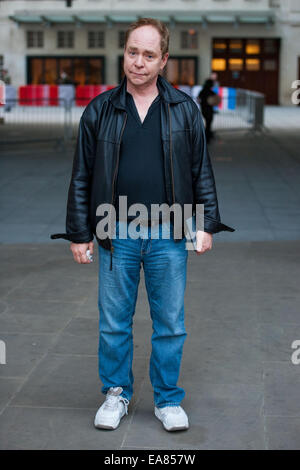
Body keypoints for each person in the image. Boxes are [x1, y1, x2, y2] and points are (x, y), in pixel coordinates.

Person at [51, 18, 234, 432]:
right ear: (125, 53)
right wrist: (80, 232)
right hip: (116, 231)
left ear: (164, 60)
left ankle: (168, 400)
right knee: (114, 321)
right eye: (133, 52)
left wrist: (205, 223)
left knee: (170, 322)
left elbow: (200, 170)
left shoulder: (184, 109)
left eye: (149, 55)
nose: (138, 62)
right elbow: (82, 175)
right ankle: (116, 394)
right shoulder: (100, 109)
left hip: (170, 231)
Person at [197, 79, 220, 143]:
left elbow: (198, 99)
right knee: (208, 124)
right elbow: (216, 98)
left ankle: (206, 137)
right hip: (209, 110)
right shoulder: (210, 92)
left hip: (203, 109)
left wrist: (203, 103)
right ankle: (207, 138)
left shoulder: (202, 91)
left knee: (207, 123)